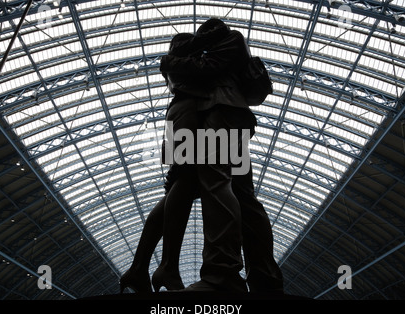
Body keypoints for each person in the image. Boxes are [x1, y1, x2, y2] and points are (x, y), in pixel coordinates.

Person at [120, 19, 283, 293]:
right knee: (225, 191)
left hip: (212, 116)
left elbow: (200, 70)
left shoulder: (221, 44)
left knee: (201, 187)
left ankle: (211, 273)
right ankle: (241, 275)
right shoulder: (209, 47)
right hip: (210, 116)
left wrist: (170, 60)